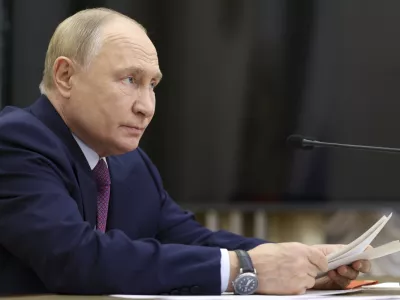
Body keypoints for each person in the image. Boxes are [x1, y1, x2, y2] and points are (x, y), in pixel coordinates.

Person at [0, 8, 370, 296]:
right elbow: (76, 258)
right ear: (65, 76)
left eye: (153, 85)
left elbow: (190, 239)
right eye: (130, 80)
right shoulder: (16, 141)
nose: (147, 106)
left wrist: (303, 261)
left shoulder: (130, 163)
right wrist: (246, 267)